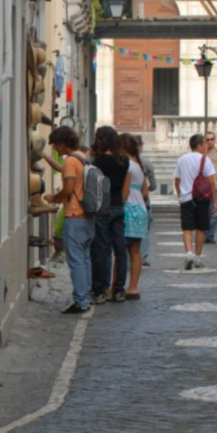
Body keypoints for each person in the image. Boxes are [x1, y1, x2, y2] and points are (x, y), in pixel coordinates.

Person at [44, 127, 94, 314]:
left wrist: (53, 198)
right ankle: (86, 297)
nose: (55, 149)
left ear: (62, 143)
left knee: (75, 261)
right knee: (85, 259)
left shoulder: (71, 160)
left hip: (74, 215)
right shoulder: (82, 157)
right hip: (88, 217)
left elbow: (68, 189)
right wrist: (45, 158)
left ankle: (80, 301)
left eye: (56, 145)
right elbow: (65, 170)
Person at [90, 127, 130, 304]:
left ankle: (100, 290)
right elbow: (124, 186)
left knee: (102, 249)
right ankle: (119, 290)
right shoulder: (124, 160)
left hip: (102, 206)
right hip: (118, 206)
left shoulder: (99, 161)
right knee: (120, 250)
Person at [111, 133, 148, 301]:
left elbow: (124, 191)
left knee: (120, 252)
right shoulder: (140, 166)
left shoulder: (127, 166)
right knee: (135, 251)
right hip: (140, 210)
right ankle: (133, 287)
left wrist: (118, 206)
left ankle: (115, 287)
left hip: (127, 210)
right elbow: (145, 192)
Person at [173, 134, 217, 270]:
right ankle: (198, 257)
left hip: (186, 198)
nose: (206, 146)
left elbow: (177, 180)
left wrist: (180, 194)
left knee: (187, 228)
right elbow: (211, 182)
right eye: (204, 143)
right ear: (198, 145)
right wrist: (215, 201)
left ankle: (188, 254)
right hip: (202, 199)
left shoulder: (181, 160)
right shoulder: (205, 160)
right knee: (201, 228)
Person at [135, 135, 156, 266]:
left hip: (126, 200)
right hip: (143, 199)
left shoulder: (122, 162)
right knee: (145, 227)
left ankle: (129, 255)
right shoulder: (146, 164)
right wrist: (146, 188)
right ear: (141, 147)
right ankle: (143, 256)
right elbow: (154, 185)